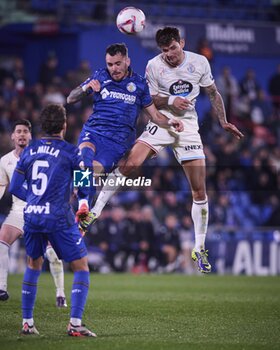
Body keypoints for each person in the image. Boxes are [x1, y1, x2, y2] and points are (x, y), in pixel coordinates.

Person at [87, 27, 244, 273]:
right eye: (164, 50)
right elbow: (148, 99)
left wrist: (223, 121)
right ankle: (93, 213)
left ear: (182, 43)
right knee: (129, 165)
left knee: (199, 190)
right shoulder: (153, 66)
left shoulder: (199, 62)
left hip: (189, 126)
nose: (169, 54)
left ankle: (199, 248)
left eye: (172, 48)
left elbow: (213, 92)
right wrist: (171, 101)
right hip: (161, 120)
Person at [66, 42, 183, 225]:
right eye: (110, 64)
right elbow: (70, 98)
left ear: (127, 61)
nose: (114, 68)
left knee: (87, 176)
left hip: (116, 144)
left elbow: (154, 115)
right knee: (84, 161)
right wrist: (86, 89)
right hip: (93, 131)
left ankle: (78, 209)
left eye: (118, 63)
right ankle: (82, 208)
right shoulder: (100, 76)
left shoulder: (139, 84)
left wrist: (169, 121)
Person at [9, 105, 95, 337]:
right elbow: (85, 186)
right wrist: (83, 204)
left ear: (41, 126)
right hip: (58, 216)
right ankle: (75, 324)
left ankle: (27, 323)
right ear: (64, 126)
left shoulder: (29, 150)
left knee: (33, 265)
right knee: (81, 267)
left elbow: (15, 187)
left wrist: (36, 200)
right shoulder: (72, 152)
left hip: (33, 216)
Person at [0, 120, 67, 307]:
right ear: (12, 136)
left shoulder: (41, 155)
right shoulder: (4, 161)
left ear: (30, 136)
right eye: (18, 131)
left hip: (41, 211)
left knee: (51, 254)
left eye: (25, 131)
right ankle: (2, 287)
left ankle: (60, 293)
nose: (22, 134)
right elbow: (2, 186)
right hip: (19, 211)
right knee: (1, 240)